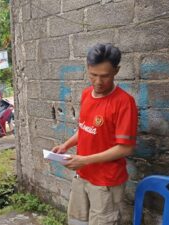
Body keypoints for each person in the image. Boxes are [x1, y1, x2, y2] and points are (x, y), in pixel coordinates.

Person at [52, 43, 138, 225]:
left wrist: (84, 160)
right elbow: (86, 129)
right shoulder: (86, 95)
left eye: (105, 76)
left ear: (116, 71)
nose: (98, 82)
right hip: (82, 175)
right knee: (77, 220)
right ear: (88, 68)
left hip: (106, 182)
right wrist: (66, 145)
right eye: (93, 75)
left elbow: (125, 149)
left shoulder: (124, 102)